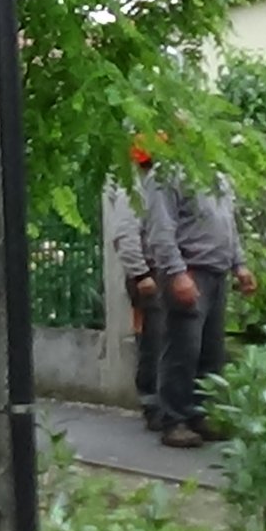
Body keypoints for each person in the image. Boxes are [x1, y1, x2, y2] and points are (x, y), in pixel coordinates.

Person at [139, 141, 257, 449]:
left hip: (216, 273)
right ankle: (173, 419)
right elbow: (160, 230)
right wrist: (176, 273)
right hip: (188, 272)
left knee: (210, 351)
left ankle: (200, 415)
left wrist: (240, 265)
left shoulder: (215, 174)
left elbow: (228, 224)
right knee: (182, 350)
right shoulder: (165, 175)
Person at [106, 163, 164, 430]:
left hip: (162, 271)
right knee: (154, 340)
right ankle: (152, 404)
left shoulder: (160, 182)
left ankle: (164, 402)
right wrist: (141, 274)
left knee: (165, 341)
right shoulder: (134, 187)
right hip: (148, 273)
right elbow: (125, 235)